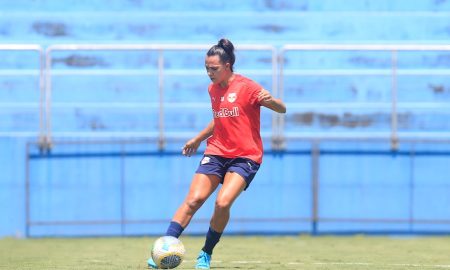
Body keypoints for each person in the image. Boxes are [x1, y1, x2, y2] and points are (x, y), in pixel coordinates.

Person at [148, 38, 286, 269]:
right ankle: (162, 249)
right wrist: (198, 139)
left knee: (222, 204)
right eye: (206, 68)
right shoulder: (213, 89)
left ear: (228, 65)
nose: (209, 73)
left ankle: (206, 253)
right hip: (217, 151)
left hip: (246, 156)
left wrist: (271, 101)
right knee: (194, 200)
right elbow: (220, 118)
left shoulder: (248, 87)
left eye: (214, 69)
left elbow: (283, 108)